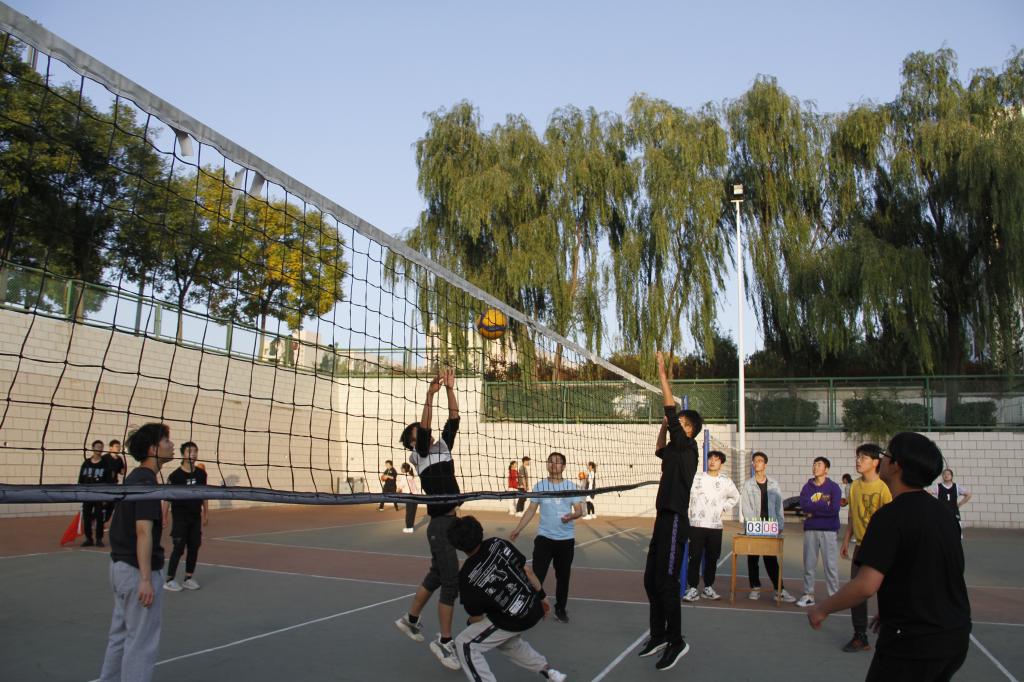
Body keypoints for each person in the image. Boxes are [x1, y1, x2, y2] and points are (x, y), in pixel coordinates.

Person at [808, 433, 971, 682]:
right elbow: (934, 569)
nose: (882, 459)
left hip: (914, 643)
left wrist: (822, 609)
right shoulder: (944, 513)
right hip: (954, 636)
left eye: (886, 455)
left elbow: (865, 586)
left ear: (896, 466)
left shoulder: (890, 516)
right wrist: (895, 607)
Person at [394, 369, 463, 671]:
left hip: (451, 521)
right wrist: (429, 395)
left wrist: (449, 389)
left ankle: (409, 620)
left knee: (437, 575)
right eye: (417, 434)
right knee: (450, 583)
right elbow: (424, 429)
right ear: (412, 443)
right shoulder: (419, 455)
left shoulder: (443, 446)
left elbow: (454, 418)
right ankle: (445, 641)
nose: (423, 433)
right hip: (440, 525)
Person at [636, 351, 699, 671]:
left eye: (681, 424)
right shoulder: (674, 450)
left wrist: (662, 375)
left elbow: (670, 409)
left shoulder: (689, 448)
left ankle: (677, 641)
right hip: (662, 519)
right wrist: (662, 426)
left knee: (668, 583)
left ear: (689, 430)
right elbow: (659, 448)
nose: (676, 424)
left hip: (675, 519)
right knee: (651, 580)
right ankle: (658, 635)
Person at [99, 422, 175, 682]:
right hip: (136, 572)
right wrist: (145, 579)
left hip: (120, 568)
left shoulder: (134, 478)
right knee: (142, 642)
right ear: (153, 449)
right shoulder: (145, 482)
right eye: (166, 441)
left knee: (120, 636)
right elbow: (143, 531)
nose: (171, 445)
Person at [448, 516, 566, 682]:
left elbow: (476, 617)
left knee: (465, 644)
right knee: (506, 642)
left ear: (457, 545)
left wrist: (471, 623)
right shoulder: (498, 542)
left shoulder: (466, 577)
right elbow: (527, 571)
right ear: (479, 529)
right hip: (534, 607)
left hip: (513, 619)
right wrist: (543, 597)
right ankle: (548, 671)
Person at [510, 451, 585, 623]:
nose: (553, 464)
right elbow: (531, 510)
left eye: (557, 462)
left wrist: (572, 516)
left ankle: (560, 609)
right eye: (550, 461)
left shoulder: (571, 487)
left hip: (565, 540)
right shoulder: (540, 486)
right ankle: (532, 608)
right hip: (544, 538)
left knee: (563, 577)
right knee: (537, 575)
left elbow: (579, 510)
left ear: (563, 466)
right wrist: (518, 529)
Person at [839, 443, 893, 653]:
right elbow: (852, 516)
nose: (858, 461)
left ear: (876, 462)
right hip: (861, 547)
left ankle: (891, 632)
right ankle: (860, 635)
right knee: (856, 592)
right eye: (858, 457)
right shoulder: (854, 486)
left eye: (863, 458)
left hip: (881, 547)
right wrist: (846, 540)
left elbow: (891, 521)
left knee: (886, 592)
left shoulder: (883, 488)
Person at [683, 450, 739, 602]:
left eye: (716, 459)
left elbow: (735, 496)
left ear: (721, 463)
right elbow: (685, 493)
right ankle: (693, 588)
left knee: (712, 558)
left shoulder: (726, 481)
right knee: (694, 557)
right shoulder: (697, 477)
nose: (712, 461)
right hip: (696, 525)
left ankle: (708, 587)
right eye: (710, 459)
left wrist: (723, 508)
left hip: (715, 526)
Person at [740, 451, 797, 602]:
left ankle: (779, 589)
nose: (756, 463)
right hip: (754, 527)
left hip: (770, 527)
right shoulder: (748, 485)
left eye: (759, 461)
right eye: (754, 461)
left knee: (771, 560)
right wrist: (754, 525)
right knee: (753, 559)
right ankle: (755, 587)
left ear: (765, 465)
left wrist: (780, 523)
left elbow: (779, 505)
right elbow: (746, 507)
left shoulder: (773, 484)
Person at [796, 456, 843, 607]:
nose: (815, 467)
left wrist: (814, 511)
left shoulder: (834, 487)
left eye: (819, 464)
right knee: (809, 564)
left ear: (826, 469)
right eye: (814, 464)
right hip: (811, 530)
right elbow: (805, 506)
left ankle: (833, 596)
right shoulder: (807, 487)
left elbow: (834, 509)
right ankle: (808, 595)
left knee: (830, 565)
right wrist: (823, 506)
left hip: (829, 530)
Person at [162, 441, 208, 592]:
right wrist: (164, 516)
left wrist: (206, 513)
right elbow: (167, 498)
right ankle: (169, 579)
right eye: (189, 451)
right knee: (179, 548)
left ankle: (188, 578)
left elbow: (204, 494)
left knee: (194, 546)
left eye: (195, 451)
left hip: (195, 517)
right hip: (180, 517)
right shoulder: (175, 476)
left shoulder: (201, 474)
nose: (193, 454)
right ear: (183, 454)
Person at [79, 439, 115, 547]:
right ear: (93, 448)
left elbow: (109, 481)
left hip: (100, 495)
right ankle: (89, 539)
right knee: (87, 517)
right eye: (97, 446)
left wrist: (106, 497)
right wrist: (81, 493)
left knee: (100, 518)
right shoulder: (86, 463)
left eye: (101, 447)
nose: (99, 448)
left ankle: (99, 539)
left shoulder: (106, 464)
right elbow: (81, 480)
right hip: (87, 495)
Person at [932, 469, 971, 536]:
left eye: (948, 474)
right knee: (942, 533)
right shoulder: (938, 486)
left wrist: (960, 504)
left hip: (954, 512)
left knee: (956, 533)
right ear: (942, 476)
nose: (946, 475)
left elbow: (968, 495)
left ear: (951, 476)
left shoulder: (957, 486)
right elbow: (928, 493)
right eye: (944, 474)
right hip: (942, 513)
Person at [103, 439, 127, 522]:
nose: (118, 448)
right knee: (103, 504)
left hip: (114, 485)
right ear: (110, 448)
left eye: (119, 446)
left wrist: (124, 469)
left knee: (112, 505)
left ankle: (105, 521)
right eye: (116, 446)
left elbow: (122, 472)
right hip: (104, 485)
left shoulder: (119, 459)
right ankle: (96, 521)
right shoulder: (104, 458)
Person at [397, 462, 420, 533]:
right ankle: (411, 526)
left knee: (409, 512)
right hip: (416, 495)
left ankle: (409, 527)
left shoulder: (404, 477)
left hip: (410, 496)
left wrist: (395, 494)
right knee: (412, 512)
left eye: (401, 467)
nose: (400, 469)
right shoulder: (410, 476)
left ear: (404, 469)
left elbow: (399, 488)